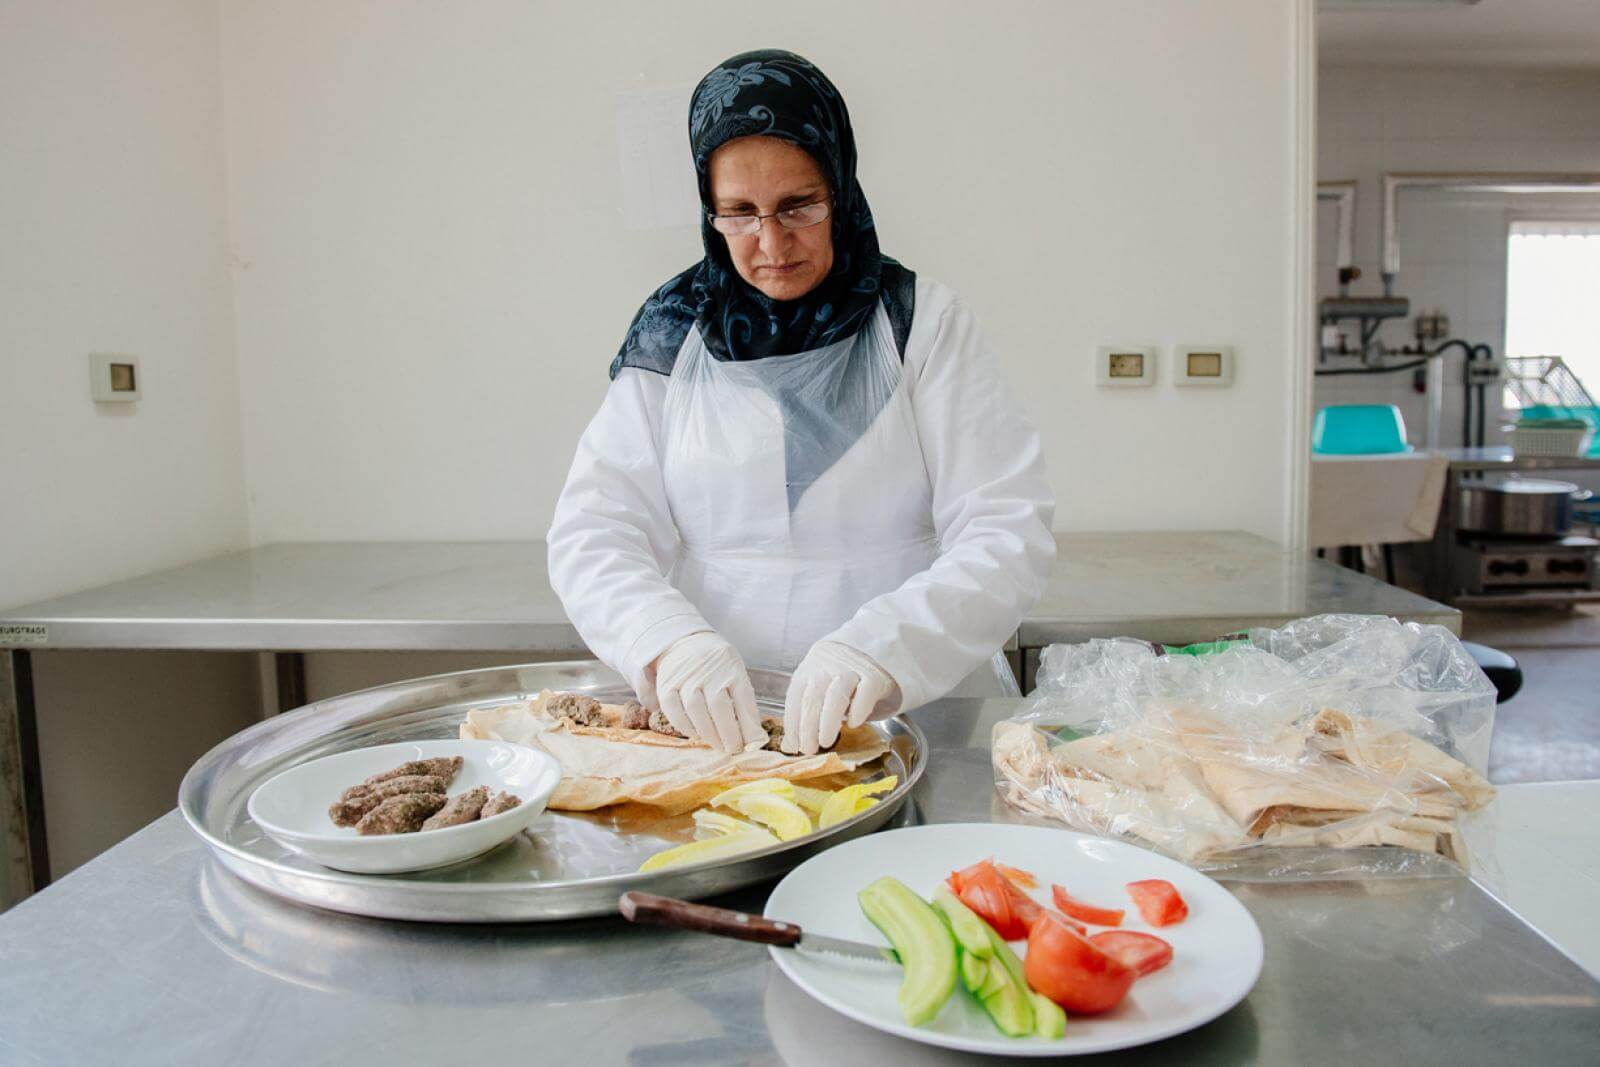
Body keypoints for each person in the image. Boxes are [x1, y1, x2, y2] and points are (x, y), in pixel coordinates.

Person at [549, 49, 1054, 756]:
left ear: (840, 189)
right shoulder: (673, 333)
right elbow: (593, 532)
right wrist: (670, 643)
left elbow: (1006, 527)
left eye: (798, 206)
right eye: (739, 214)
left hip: (914, 709)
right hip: (719, 728)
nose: (770, 242)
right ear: (709, 207)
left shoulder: (922, 324)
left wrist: (882, 651)